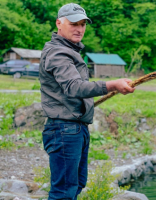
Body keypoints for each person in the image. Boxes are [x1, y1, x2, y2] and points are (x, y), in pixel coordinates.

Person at [39, 3, 135, 199]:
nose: (79, 29)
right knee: (63, 191)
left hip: (75, 128)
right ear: (59, 23)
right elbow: (75, 87)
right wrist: (111, 84)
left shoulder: (70, 51)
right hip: (64, 130)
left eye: (83, 24)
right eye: (74, 24)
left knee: (76, 185)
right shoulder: (58, 52)